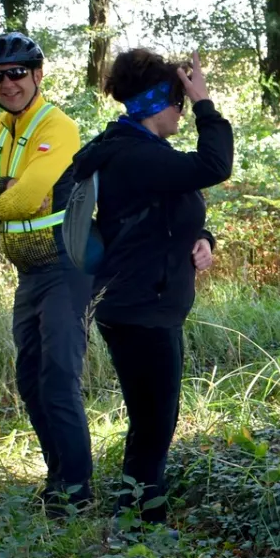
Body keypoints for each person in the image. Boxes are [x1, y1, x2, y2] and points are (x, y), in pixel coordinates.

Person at [67, 49, 232, 522]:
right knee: (154, 423)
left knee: (152, 420)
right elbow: (214, 166)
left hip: (146, 303)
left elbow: (168, 213)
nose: (183, 108)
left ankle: (138, 518)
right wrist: (206, 104)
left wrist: (202, 239)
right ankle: (141, 528)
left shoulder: (142, 153)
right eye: (179, 99)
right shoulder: (134, 155)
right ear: (158, 103)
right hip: (140, 309)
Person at [0, 32, 90, 506]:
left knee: (57, 380)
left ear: (37, 74)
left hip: (66, 268)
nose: (7, 84)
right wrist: (6, 194)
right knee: (29, 380)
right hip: (29, 272)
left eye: (16, 74)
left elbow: (26, 199)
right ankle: (57, 480)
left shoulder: (58, 127)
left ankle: (77, 493)